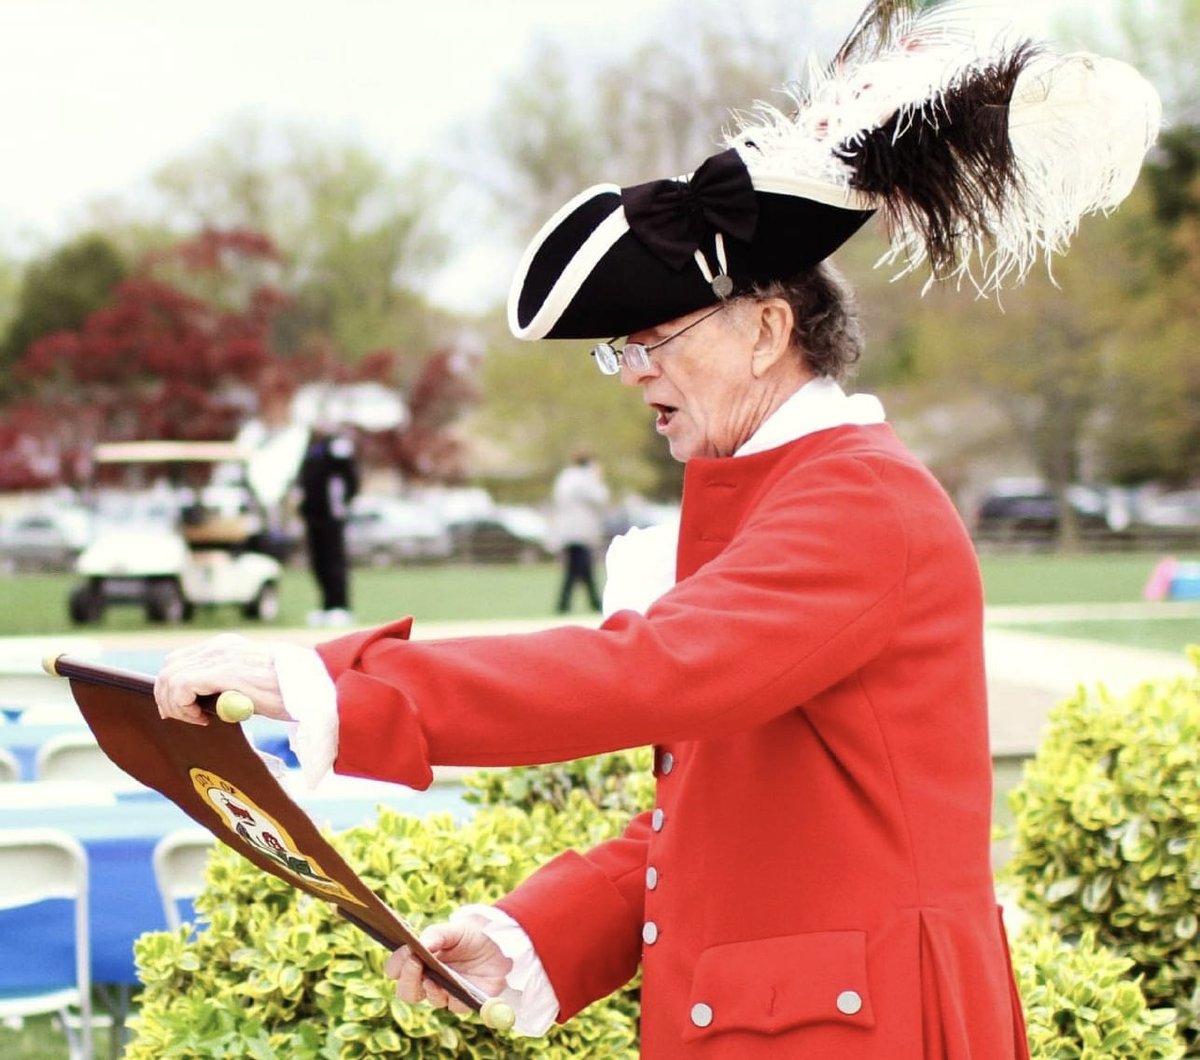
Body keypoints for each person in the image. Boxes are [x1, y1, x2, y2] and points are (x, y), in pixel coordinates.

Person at [154, 8, 1159, 1056]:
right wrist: (535, 933)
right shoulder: (790, 499)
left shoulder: (862, 503)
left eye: (656, 340)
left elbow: (648, 671)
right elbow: (715, 821)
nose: (635, 372)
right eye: (622, 350)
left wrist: (326, 679)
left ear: (771, 329)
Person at [297, 424, 360, 627]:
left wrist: (342, 503)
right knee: (319, 563)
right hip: (312, 514)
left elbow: (350, 477)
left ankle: (340, 606)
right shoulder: (311, 447)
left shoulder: (337, 445)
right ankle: (326, 606)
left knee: (334, 561)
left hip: (331, 515)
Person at [551, 450, 609, 613]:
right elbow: (601, 497)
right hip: (580, 532)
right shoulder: (585, 479)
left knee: (581, 569)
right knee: (577, 569)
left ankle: (591, 602)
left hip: (568, 531)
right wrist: (597, 477)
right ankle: (570, 604)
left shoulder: (566, 477)